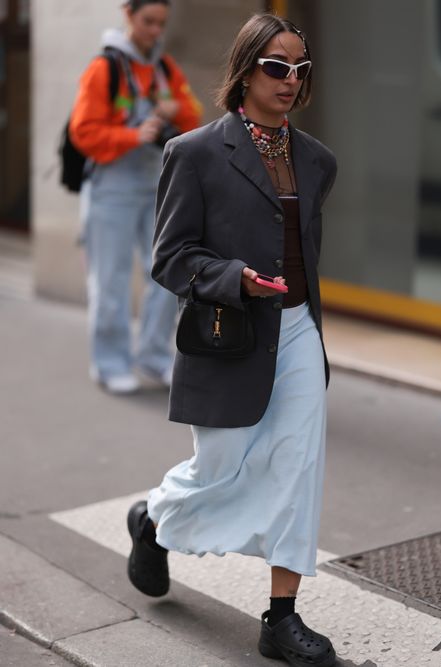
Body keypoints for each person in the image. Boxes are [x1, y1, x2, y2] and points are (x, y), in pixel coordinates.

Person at [126, 12, 338, 666]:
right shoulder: (192, 154)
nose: (290, 80)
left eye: (301, 69)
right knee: (221, 467)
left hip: (298, 327)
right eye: (277, 66)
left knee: (298, 467)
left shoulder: (316, 160)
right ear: (245, 70)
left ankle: (282, 618)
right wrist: (232, 279)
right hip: (230, 330)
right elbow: (170, 258)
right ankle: (154, 519)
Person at [70, 0, 201, 394]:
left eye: (161, 23)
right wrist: (132, 135)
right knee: (110, 280)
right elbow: (83, 132)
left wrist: (175, 108)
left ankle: (155, 356)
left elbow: (193, 118)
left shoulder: (165, 68)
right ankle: (110, 364)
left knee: (165, 276)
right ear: (127, 14)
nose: (155, 31)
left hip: (156, 186)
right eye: (148, 21)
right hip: (111, 188)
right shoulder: (103, 68)